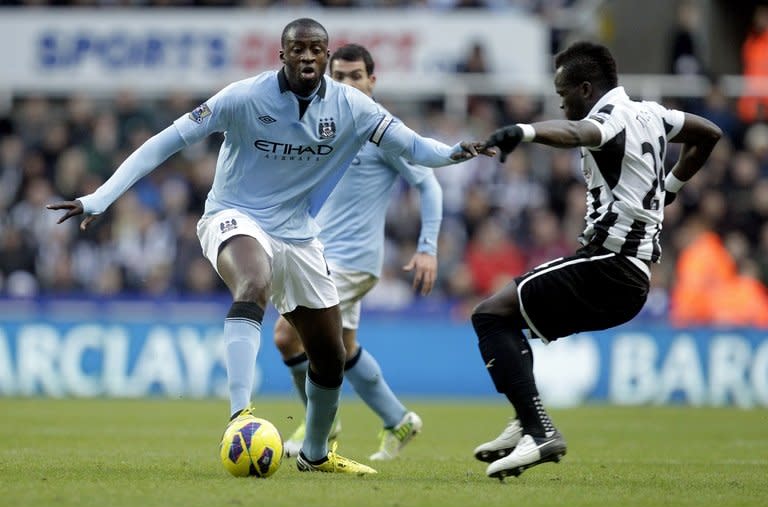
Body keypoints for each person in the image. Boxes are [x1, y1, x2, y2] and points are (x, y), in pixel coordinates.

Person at [46, 18, 492, 476]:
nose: (306, 57)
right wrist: (99, 197)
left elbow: (419, 149)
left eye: (315, 49)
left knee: (331, 354)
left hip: (298, 233)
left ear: (325, 55)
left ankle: (316, 454)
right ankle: (241, 416)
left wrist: (461, 150)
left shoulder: (353, 108)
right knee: (253, 281)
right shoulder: (243, 97)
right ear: (282, 55)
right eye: (297, 49)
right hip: (232, 215)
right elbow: (167, 142)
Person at [475, 40, 721, 480]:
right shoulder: (653, 113)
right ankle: (525, 418)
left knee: (490, 314)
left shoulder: (606, 118)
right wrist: (671, 188)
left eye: (563, 92)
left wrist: (526, 131)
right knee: (509, 321)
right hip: (628, 276)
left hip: (610, 268)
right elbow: (708, 133)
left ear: (585, 88)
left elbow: (578, 134)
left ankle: (539, 431)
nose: (560, 100)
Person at [273, 43, 439, 461]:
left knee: (286, 335)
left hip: (352, 260)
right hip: (317, 254)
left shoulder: (381, 129)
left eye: (355, 76)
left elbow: (428, 184)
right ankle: (398, 419)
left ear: (372, 81)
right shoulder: (324, 124)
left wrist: (428, 248)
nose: (346, 84)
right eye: (339, 77)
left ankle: (322, 430)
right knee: (342, 348)